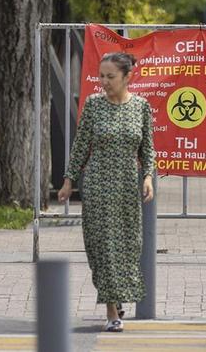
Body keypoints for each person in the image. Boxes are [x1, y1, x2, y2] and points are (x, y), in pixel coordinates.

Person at [58, 52, 156, 333]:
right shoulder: (93, 105)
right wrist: (68, 180)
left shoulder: (141, 107)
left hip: (127, 186)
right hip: (98, 184)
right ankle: (112, 310)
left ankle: (117, 295)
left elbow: (148, 148)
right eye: (101, 76)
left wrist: (147, 176)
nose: (104, 81)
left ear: (127, 77)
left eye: (110, 76)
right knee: (102, 247)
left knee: (128, 246)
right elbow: (80, 146)